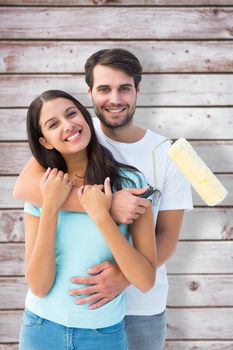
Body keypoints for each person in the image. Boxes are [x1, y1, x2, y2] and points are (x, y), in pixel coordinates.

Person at [14, 49, 193, 350]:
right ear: (90, 94)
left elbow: (167, 237)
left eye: (124, 88)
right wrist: (104, 205)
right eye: (104, 89)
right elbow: (25, 188)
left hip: (136, 312)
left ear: (138, 89)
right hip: (45, 323)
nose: (115, 99)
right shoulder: (73, 138)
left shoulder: (164, 156)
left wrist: (123, 276)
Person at [18, 89, 157, 350]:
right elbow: (38, 286)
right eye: (53, 124)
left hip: (103, 335)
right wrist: (50, 206)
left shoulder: (130, 184)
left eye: (72, 114)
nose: (68, 125)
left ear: (85, 117)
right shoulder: (43, 189)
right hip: (41, 329)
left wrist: (102, 216)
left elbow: (145, 280)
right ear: (45, 141)